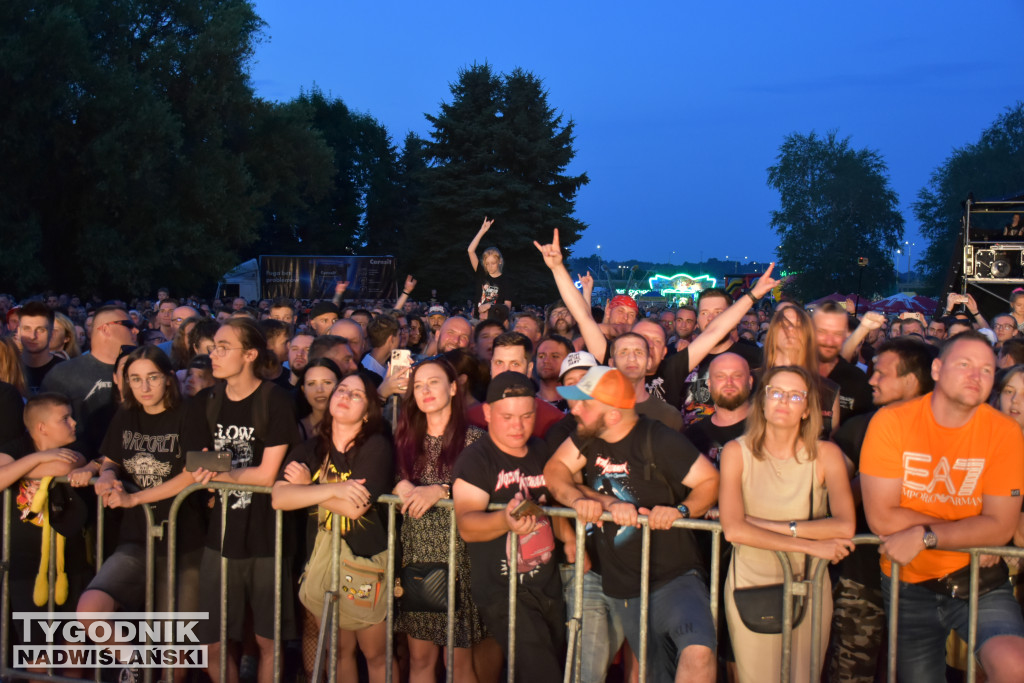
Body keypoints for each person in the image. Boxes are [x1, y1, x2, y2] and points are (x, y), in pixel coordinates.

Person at [861, 331, 1024, 681]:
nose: (975, 376)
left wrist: (925, 535)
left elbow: (1000, 527)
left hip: (980, 578)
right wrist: (971, 525)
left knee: (1014, 664)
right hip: (908, 583)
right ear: (936, 369)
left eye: (986, 370)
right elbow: (881, 516)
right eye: (964, 365)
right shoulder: (892, 422)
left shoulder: (1005, 432)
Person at [545, 365, 720, 683]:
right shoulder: (588, 434)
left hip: (674, 578)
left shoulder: (659, 439)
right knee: (657, 674)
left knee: (699, 653)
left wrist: (681, 510)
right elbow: (555, 469)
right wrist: (578, 499)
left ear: (612, 415)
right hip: (625, 588)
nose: (575, 409)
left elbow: (709, 481)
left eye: (584, 403)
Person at [75, 346, 210, 680]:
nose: (144, 386)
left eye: (152, 378)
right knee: (90, 610)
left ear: (167, 379)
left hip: (185, 541)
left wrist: (136, 499)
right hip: (136, 537)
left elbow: (193, 472)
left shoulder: (189, 412)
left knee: (176, 643)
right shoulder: (125, 414)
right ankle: (135, 662)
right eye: (135, 379)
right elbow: (111, 459)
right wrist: (107, 476)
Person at [719, 365, 855, 683]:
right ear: (762, 402)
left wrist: (765, 526)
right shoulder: (736, 452)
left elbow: (845, 526)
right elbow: (735, 530)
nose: (784, 401)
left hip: (808, 584)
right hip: (750, 583)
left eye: (795, 396)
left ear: (807, 409)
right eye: (776, 392)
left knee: (802, 677)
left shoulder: (826, 454)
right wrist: (812, 544)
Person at [192, 318, 299, 683]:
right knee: (212, 642)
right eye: (212, 348)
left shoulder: (276, 400)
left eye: (224, 347)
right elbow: (194, 462)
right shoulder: (206, 401)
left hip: (267, 536)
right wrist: (222, 472)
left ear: (250, 354)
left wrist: (217, 473)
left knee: (268, 640)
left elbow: (266, 475)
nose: (214, 355)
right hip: (219, 536)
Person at [272, 374, 394, 683]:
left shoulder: (376, 446)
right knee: (338, 650)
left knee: (376, 654)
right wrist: (333, 491)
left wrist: (309, 487)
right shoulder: (312, 447)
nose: (345, 396)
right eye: (342, 390)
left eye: (356, 395)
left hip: (366, 562)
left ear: (368, 412)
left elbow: (355, 507)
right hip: (323, 559)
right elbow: (279, 496)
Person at [453, 372, 567, 683]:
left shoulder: (542, 450)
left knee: (550, 663)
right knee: (541, 673)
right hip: (503, 591)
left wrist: (570, 542)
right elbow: (466, 524)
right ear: (488, 413)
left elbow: (553, 505)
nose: (517, 426)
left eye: (527, 415)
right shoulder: (476, 459)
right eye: (507, 417)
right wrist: (505, 520)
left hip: (547, 585)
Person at [393, 357, 487, 683]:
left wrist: (441, 490)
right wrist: (399, 484)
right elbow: (386, 475)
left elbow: (486, 489)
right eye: (418, 385)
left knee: (458, 663)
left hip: (459, 559)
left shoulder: (474, 439)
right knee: (420, 659)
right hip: (417, 558)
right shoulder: (404, 437)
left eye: (433, 382)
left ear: (452, 388)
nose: (425, 391)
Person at [42, 306, 139, 455]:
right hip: (78, 466)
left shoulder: (143, 370)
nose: (136, 331)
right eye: (129, 326)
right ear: (106, 329)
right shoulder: (63, 374)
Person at [763, 305, 842, 437]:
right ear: (772, 331)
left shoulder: (828, 390)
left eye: (798, 326)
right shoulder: (751, 381)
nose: (791, 330)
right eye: (784, 324)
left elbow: (832, 441)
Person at [467, 216, 513, 311]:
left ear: (499, 261)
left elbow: (507, 306)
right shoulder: (481, 273)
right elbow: (470, 250)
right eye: (487, 263)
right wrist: (482, 231)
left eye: (493, 263)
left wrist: (490, 307)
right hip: (478, 319)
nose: (490, 266)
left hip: (495, 320)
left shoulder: (506, 281)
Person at [18, 301, 64, 394]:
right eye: (27, 329)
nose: (33, 336)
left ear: (52, 333)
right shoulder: (8, 368)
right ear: (18, 331)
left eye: (40, 330)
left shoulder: (65, 370)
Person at [297, 358, 342, 441]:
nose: (319, 390)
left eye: (327, 382)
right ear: (303, 390)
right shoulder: (295, 430)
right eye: (311, 384)